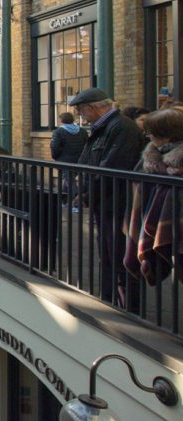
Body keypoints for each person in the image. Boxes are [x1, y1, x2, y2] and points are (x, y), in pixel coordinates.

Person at [71, 87, 146, 305]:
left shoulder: (121, 128)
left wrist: (86, 194)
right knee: (108, 253)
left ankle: (127, 304)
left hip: (117, 203)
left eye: (82, 110)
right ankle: (110, 297)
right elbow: (89, 161)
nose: (80, 115)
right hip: (104, 202)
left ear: (94, 108)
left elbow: (112, 165)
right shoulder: (103, 128)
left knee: (119, 254)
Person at [124, 108, 183, 284]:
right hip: (156, 218)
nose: (148, 136)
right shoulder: (151, 157)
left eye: (151, 133)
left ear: (167, 135)